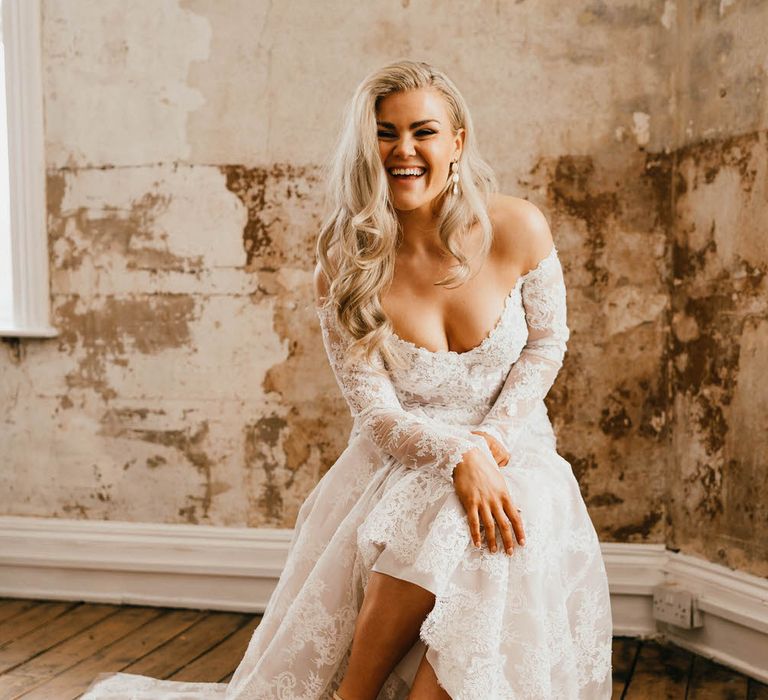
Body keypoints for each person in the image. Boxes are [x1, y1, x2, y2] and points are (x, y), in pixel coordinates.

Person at [82, 59, 612, 700]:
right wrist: (454, 454)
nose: (404, 150)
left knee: (484, 525)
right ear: (366, 146)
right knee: (439, 499)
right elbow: (376, 412)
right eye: (385, 133)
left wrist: (486, 443)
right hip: (401, 453)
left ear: (457, 142)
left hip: (516, 445)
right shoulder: (344, 259)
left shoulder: (517, 227)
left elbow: (547, 343)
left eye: (424, 131)